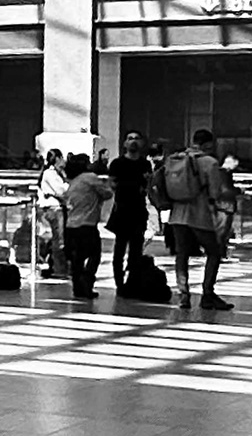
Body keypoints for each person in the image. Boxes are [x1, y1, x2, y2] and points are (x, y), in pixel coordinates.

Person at [163, 131, 233, 309]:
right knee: (214, 252)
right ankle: (207, 294)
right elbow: (215, 192)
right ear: (209, 144)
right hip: (200, 215)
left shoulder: (175, 159)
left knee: (182, 254)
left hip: (177, 215)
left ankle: (183, 295)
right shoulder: (210, 163)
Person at [58, 146, 111, 303]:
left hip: (71, 225)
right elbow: (107, 193)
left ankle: (77, 287)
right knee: (94, 255)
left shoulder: (72, 183)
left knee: (77, 259)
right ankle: (87, 284)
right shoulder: (90, 178)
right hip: (87, 224)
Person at [109, 133, 154, 296]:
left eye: (136, 138)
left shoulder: (145, 164)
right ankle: (119, 283)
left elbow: (149, 184)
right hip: (122, 210)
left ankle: (133, 281)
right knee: (119, 248)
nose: (133, 141)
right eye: (129, 138)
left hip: (138, 211)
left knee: (136, 250)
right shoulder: (117, 163)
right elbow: (112, 183)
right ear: (124, 143)